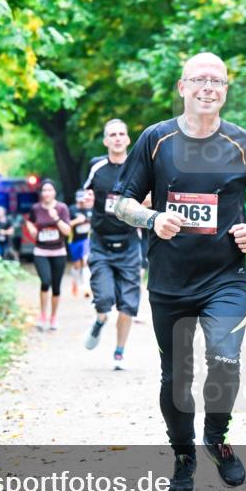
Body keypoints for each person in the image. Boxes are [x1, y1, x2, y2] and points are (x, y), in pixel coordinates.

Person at [114, 52, 246, 491]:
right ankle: (183, 455)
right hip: (169, 280)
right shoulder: (156, 139)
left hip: (224, 277)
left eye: (218, 81)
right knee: (176, 377)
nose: (209, 88)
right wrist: (152, 220)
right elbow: (122, 202)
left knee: (226, 360)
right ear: (182, 87)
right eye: (200, 80)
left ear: (226, 91)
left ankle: (216, 438)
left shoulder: (244, 143)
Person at [81, 119, 143, 371]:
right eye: (112, 135)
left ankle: (119, 353)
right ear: (106, 141)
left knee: (128, 303)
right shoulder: (97, 168)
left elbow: (150, 198)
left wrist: (146, 203)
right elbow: (86, 192)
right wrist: (86, 200)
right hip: (101, 244)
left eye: (121, 134)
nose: (117, 138)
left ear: (128, 139)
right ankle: (99, 320)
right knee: (105, 298)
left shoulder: (138, 168)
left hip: (129, 244)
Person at [26, 179, 71, 330]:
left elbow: (67, 231)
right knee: (45, 282)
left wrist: (56, 218)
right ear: (41, 193)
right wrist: (31, 228)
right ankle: (43, 315)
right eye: (44, 190)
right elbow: (29, 221)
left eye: (49, 190)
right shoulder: (36, 208)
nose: (46, 193)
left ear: (54, 192)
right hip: (41, 251)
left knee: (56, 287)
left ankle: (53, 317)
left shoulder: (62, 208)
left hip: (58, 251)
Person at [67, 189, 92, 298]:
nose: (83, 202)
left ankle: (86, 287)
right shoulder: (71, 209)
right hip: (74, 240)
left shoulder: (90, 209)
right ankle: (75, 282)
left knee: (86, 260)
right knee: (77, 265)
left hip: (87, 239)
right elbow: (66, 225)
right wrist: (77, 221)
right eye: (81, 200)